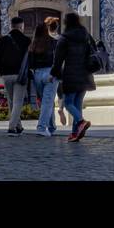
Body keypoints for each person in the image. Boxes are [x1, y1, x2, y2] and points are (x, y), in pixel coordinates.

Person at [51, 12, 98, 142]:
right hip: (85, 75)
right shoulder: (86, 36)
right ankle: (75, 133)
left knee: (68, 103)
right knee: (77, 104)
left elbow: (58, 60)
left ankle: (81, 122)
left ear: (66, 23)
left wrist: (54, 74)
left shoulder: (64, 38)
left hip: (71, 75)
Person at [0, 16, 31, 135]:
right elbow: (30, 59)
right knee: (18, 102)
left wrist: (1, 71)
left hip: (6, 75)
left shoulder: (2, 40)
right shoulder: (26, 41)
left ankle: (18, 126)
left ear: (11, 26)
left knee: (11, 101)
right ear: (21, 26)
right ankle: (12, 127)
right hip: (20, 75)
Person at [27, 24, 59, 137]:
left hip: (37, 75)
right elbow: (57, 60)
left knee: (46, 101)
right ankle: (41, 127)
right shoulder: (53, 43)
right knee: (47, 101)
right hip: (50, 74)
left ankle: (52, 126)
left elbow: (30, 63)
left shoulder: (32, 45)